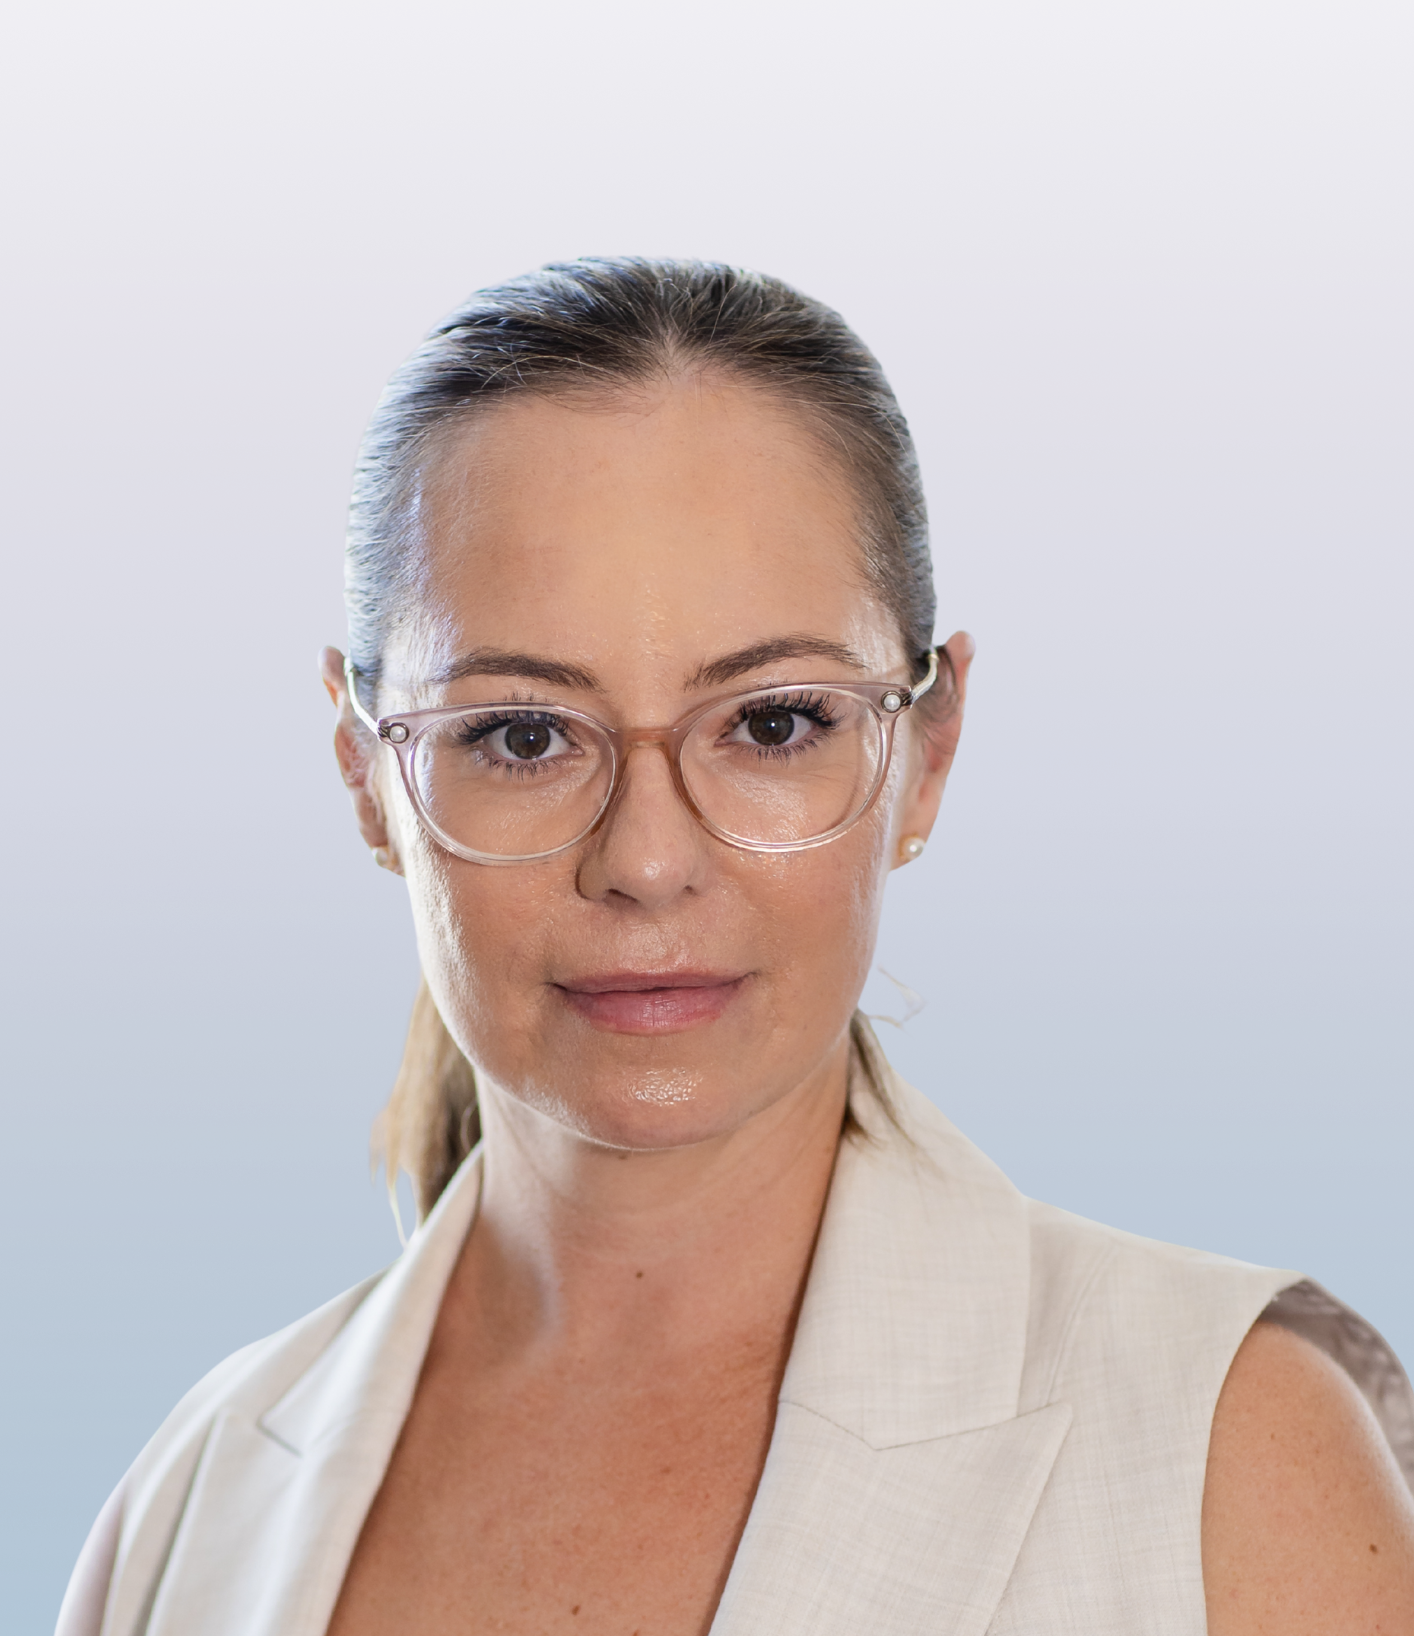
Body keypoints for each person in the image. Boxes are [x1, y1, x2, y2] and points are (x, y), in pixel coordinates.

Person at [59, 259, 1414, 1636]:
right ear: (366, 775)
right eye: (521, 735)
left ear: (928, 753)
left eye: (772, 723)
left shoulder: (1233, 1459)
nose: (647, 860)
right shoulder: (189, 1511)